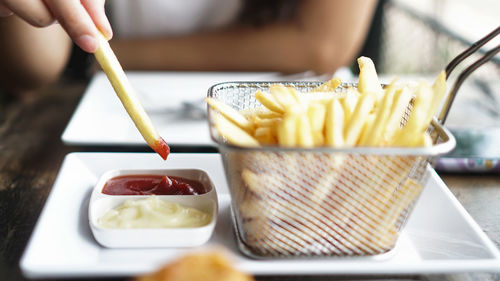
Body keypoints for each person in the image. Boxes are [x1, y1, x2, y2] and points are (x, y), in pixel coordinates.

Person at [0, 0, 379, 98]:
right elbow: (33, 67)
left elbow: (319, 46)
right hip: (99, 117)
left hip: (306, 137)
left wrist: (93, 59)